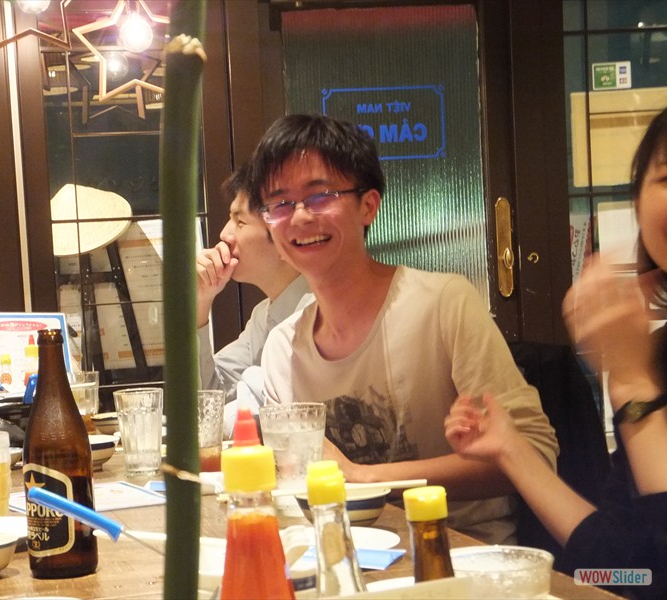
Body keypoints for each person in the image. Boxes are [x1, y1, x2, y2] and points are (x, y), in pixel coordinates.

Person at [247, 114, 557, 544]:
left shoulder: (443, 304)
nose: (299, 217)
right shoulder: (283, 350)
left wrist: (364, 476)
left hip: (461, 553)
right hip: (341, 557)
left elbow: (534, 452)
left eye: (320, 196)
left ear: (368, 205)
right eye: (280, 203)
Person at [445, 108, 667, 599]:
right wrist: (510, 450)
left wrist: (634, 389)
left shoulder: (641, 375)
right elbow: (630, 567)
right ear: (638, 202)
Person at [196, 166, 312, 409]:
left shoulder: (318, 314)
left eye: (240, 221)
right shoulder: (263, 316)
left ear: (284, 238)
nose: (224, 234)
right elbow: (208, 399)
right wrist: (199, 304)